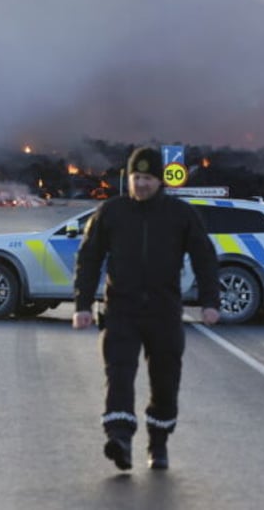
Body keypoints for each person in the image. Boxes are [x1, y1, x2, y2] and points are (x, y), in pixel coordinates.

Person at [72, 146, 221, 471]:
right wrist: (82, 304)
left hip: (164, 313)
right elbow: (89, 258)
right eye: (136, 178)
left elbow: (204, 258)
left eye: (148, 178)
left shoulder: (180, 215)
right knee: (119, 374)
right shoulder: (111, 212)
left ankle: (158, 442)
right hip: (120, 311)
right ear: (129, 178)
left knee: (165, 381)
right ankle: (120, 439)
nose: (141, 184)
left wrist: (211, 302)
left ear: (160, 181)